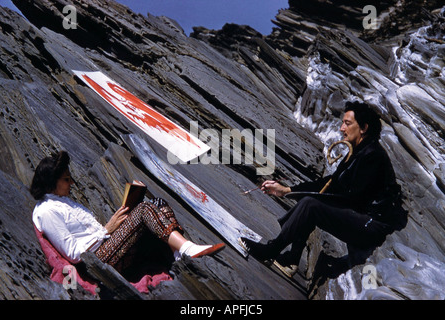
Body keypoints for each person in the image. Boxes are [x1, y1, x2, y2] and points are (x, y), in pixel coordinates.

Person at [241, 101, 405, 277]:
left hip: (372, 226)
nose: (342, 128)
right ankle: (291, 259)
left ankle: (271, 250)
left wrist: (307, 198)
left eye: (347, 124)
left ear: (364, 127)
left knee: (311, 205)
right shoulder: (359, 151)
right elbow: (330, 183)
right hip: (361, 218)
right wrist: (287, 189)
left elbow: (353, 199)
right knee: (312, 203)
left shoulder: (373, 156)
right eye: (343, 123)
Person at [30, 151, 225, 273]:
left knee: (156, 202)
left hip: (106, 246)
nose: (72, 182)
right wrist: (107, 229)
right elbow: (73, 253)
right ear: (51, 183)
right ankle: (187, 250)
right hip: (96, 263)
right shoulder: (46, 211)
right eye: (66, 179)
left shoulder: (64, 202)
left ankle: (178, 252)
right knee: (144, 210)